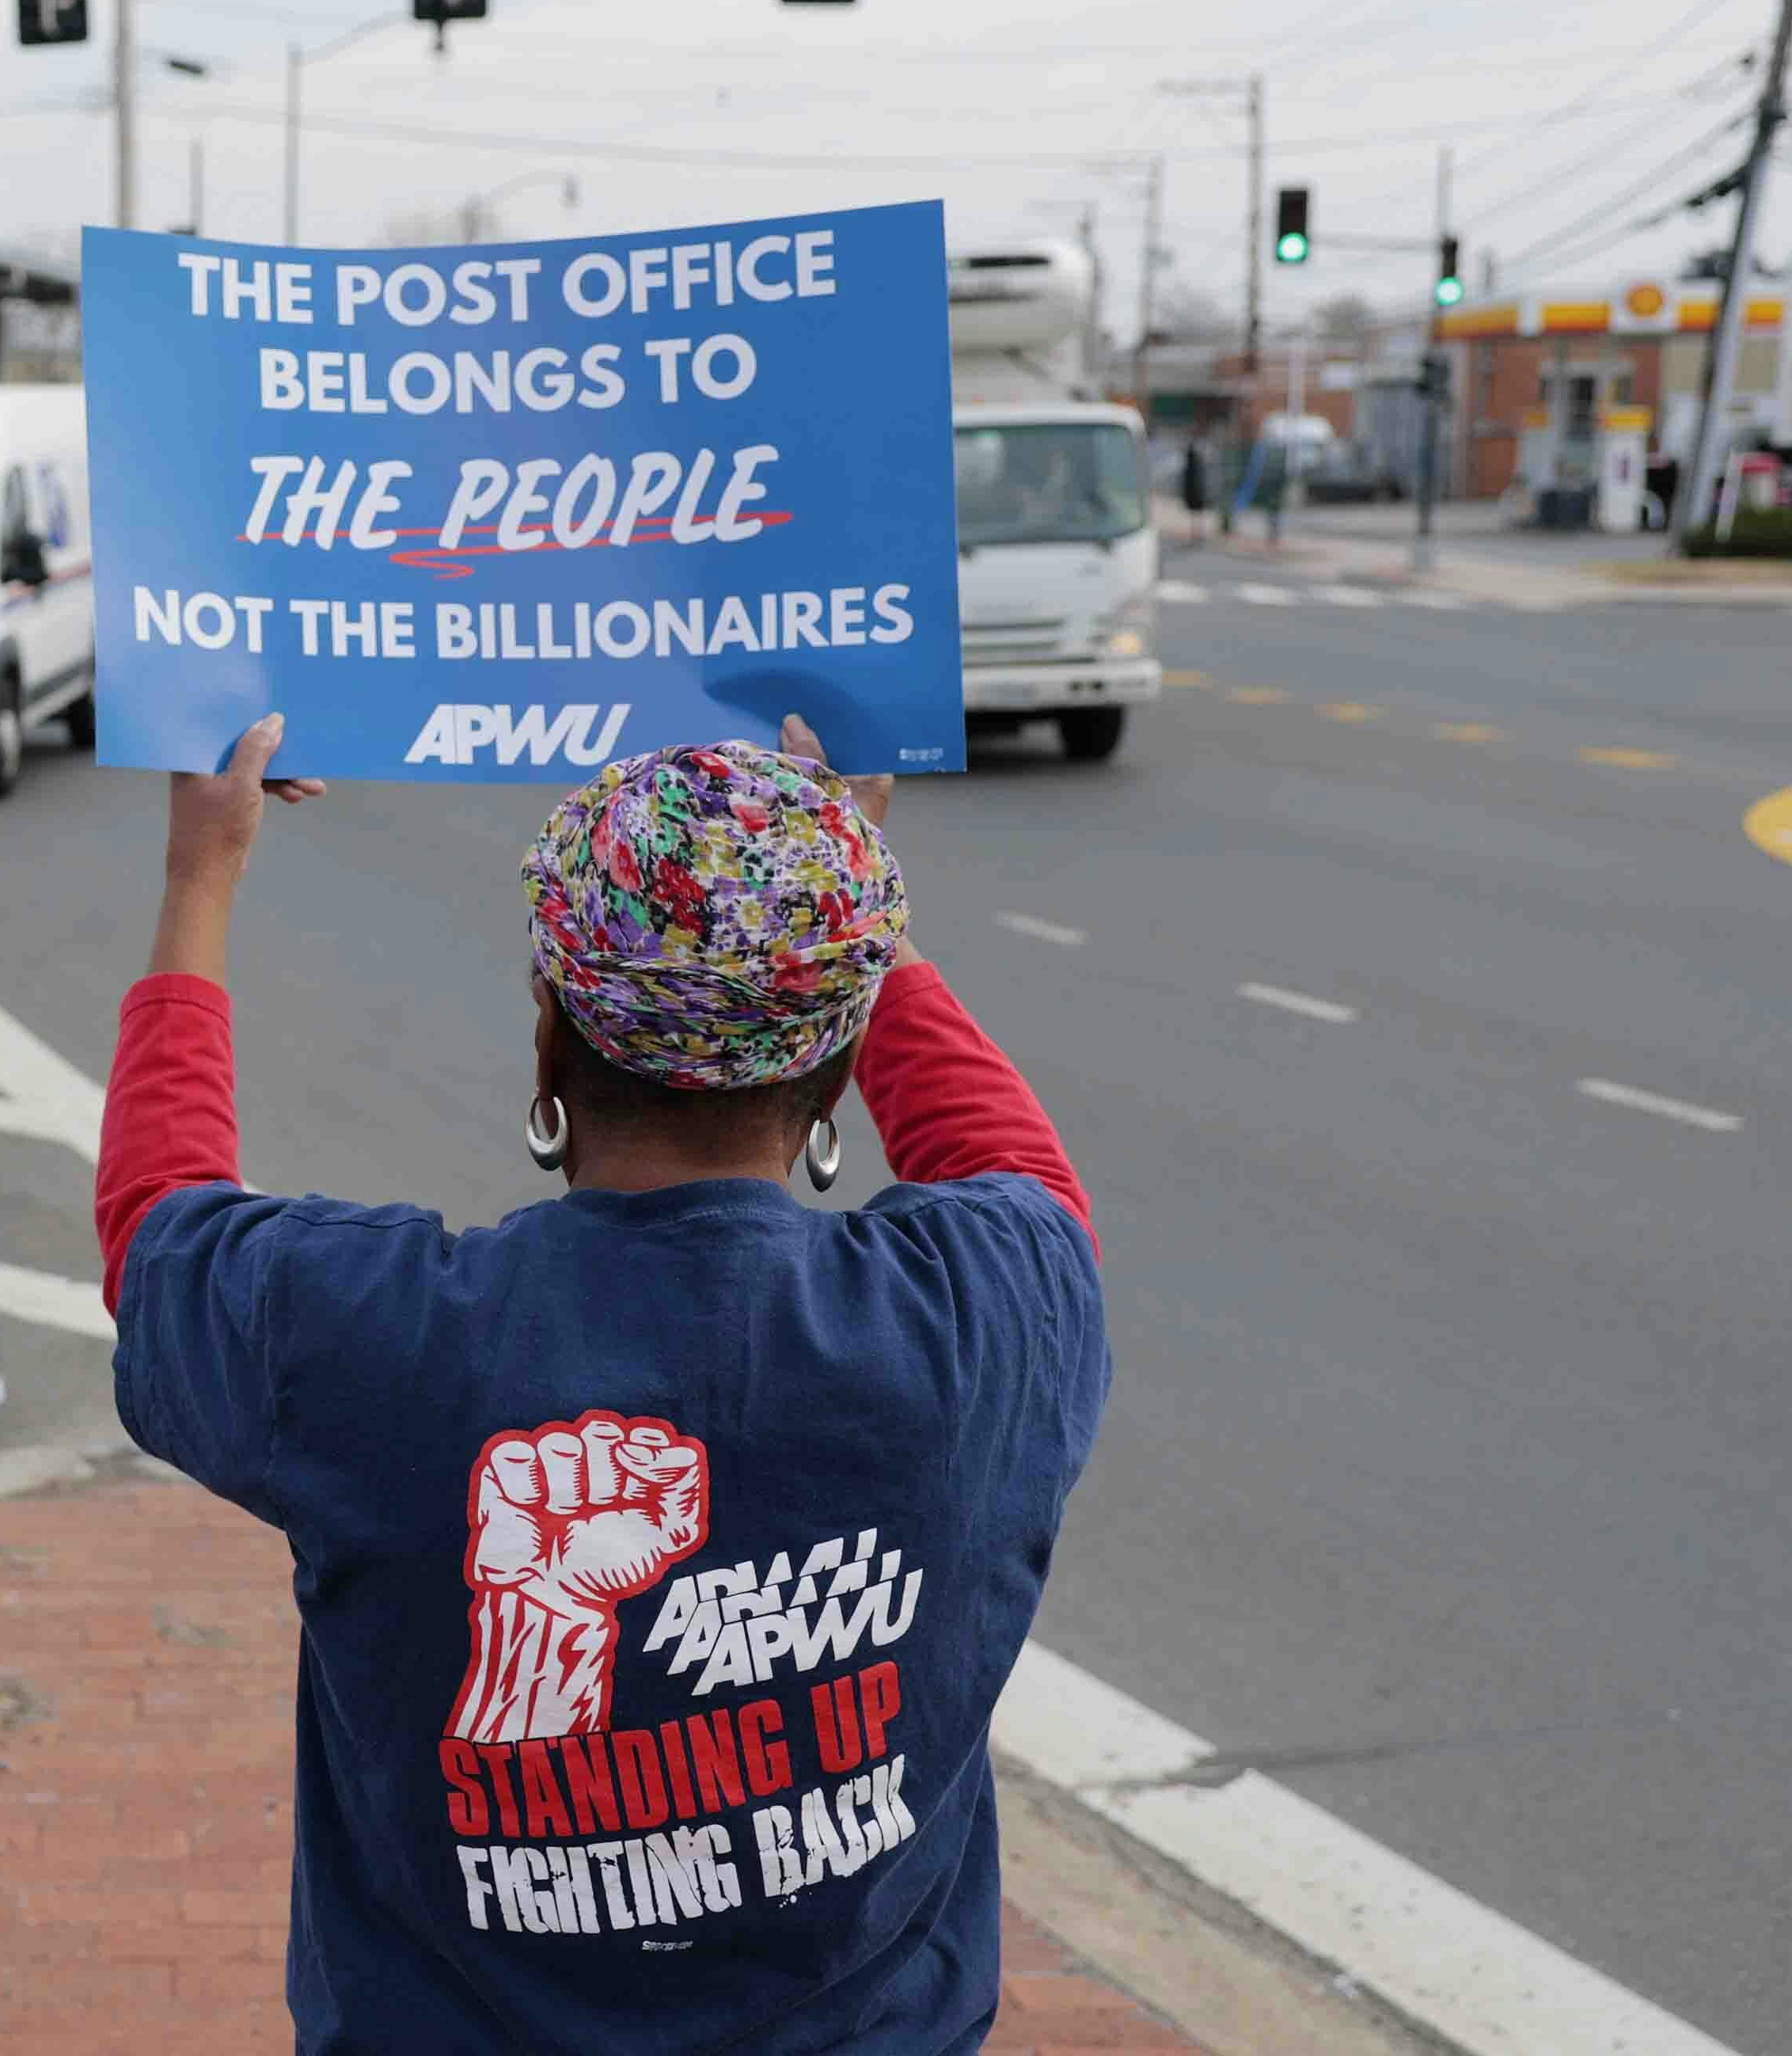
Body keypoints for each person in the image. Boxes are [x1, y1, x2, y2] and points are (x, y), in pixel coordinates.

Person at [97, 714, 1106, 2054]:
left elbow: (157, 1225)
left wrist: (199, 877)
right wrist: (836, 903)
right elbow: (1017, 1169)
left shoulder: (371, 1341)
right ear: (842, 1060)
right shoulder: (989, 1318)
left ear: (549, 1044)